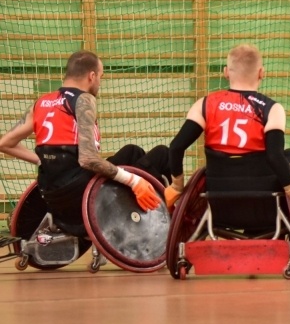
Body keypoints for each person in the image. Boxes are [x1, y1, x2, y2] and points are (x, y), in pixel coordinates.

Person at [0, 51, 167, 237]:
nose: (100, 83)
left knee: (132, 152)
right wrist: (133, 181)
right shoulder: (83, 100)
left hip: (52, 193)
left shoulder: (40, 103)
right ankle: (160, 223)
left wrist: (43, 161)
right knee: (162, 154)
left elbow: (5, 143)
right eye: (101, 77)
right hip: (81, 194)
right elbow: (88, 159)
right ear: (92, 76)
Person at [164, 43, 290, 231]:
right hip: (265, 205)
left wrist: (176, 187)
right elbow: (274, 157)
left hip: (218, 205)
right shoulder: (272, 109)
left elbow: (176, 147)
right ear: (261, 73)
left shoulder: (205, 104)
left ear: (226, 72)